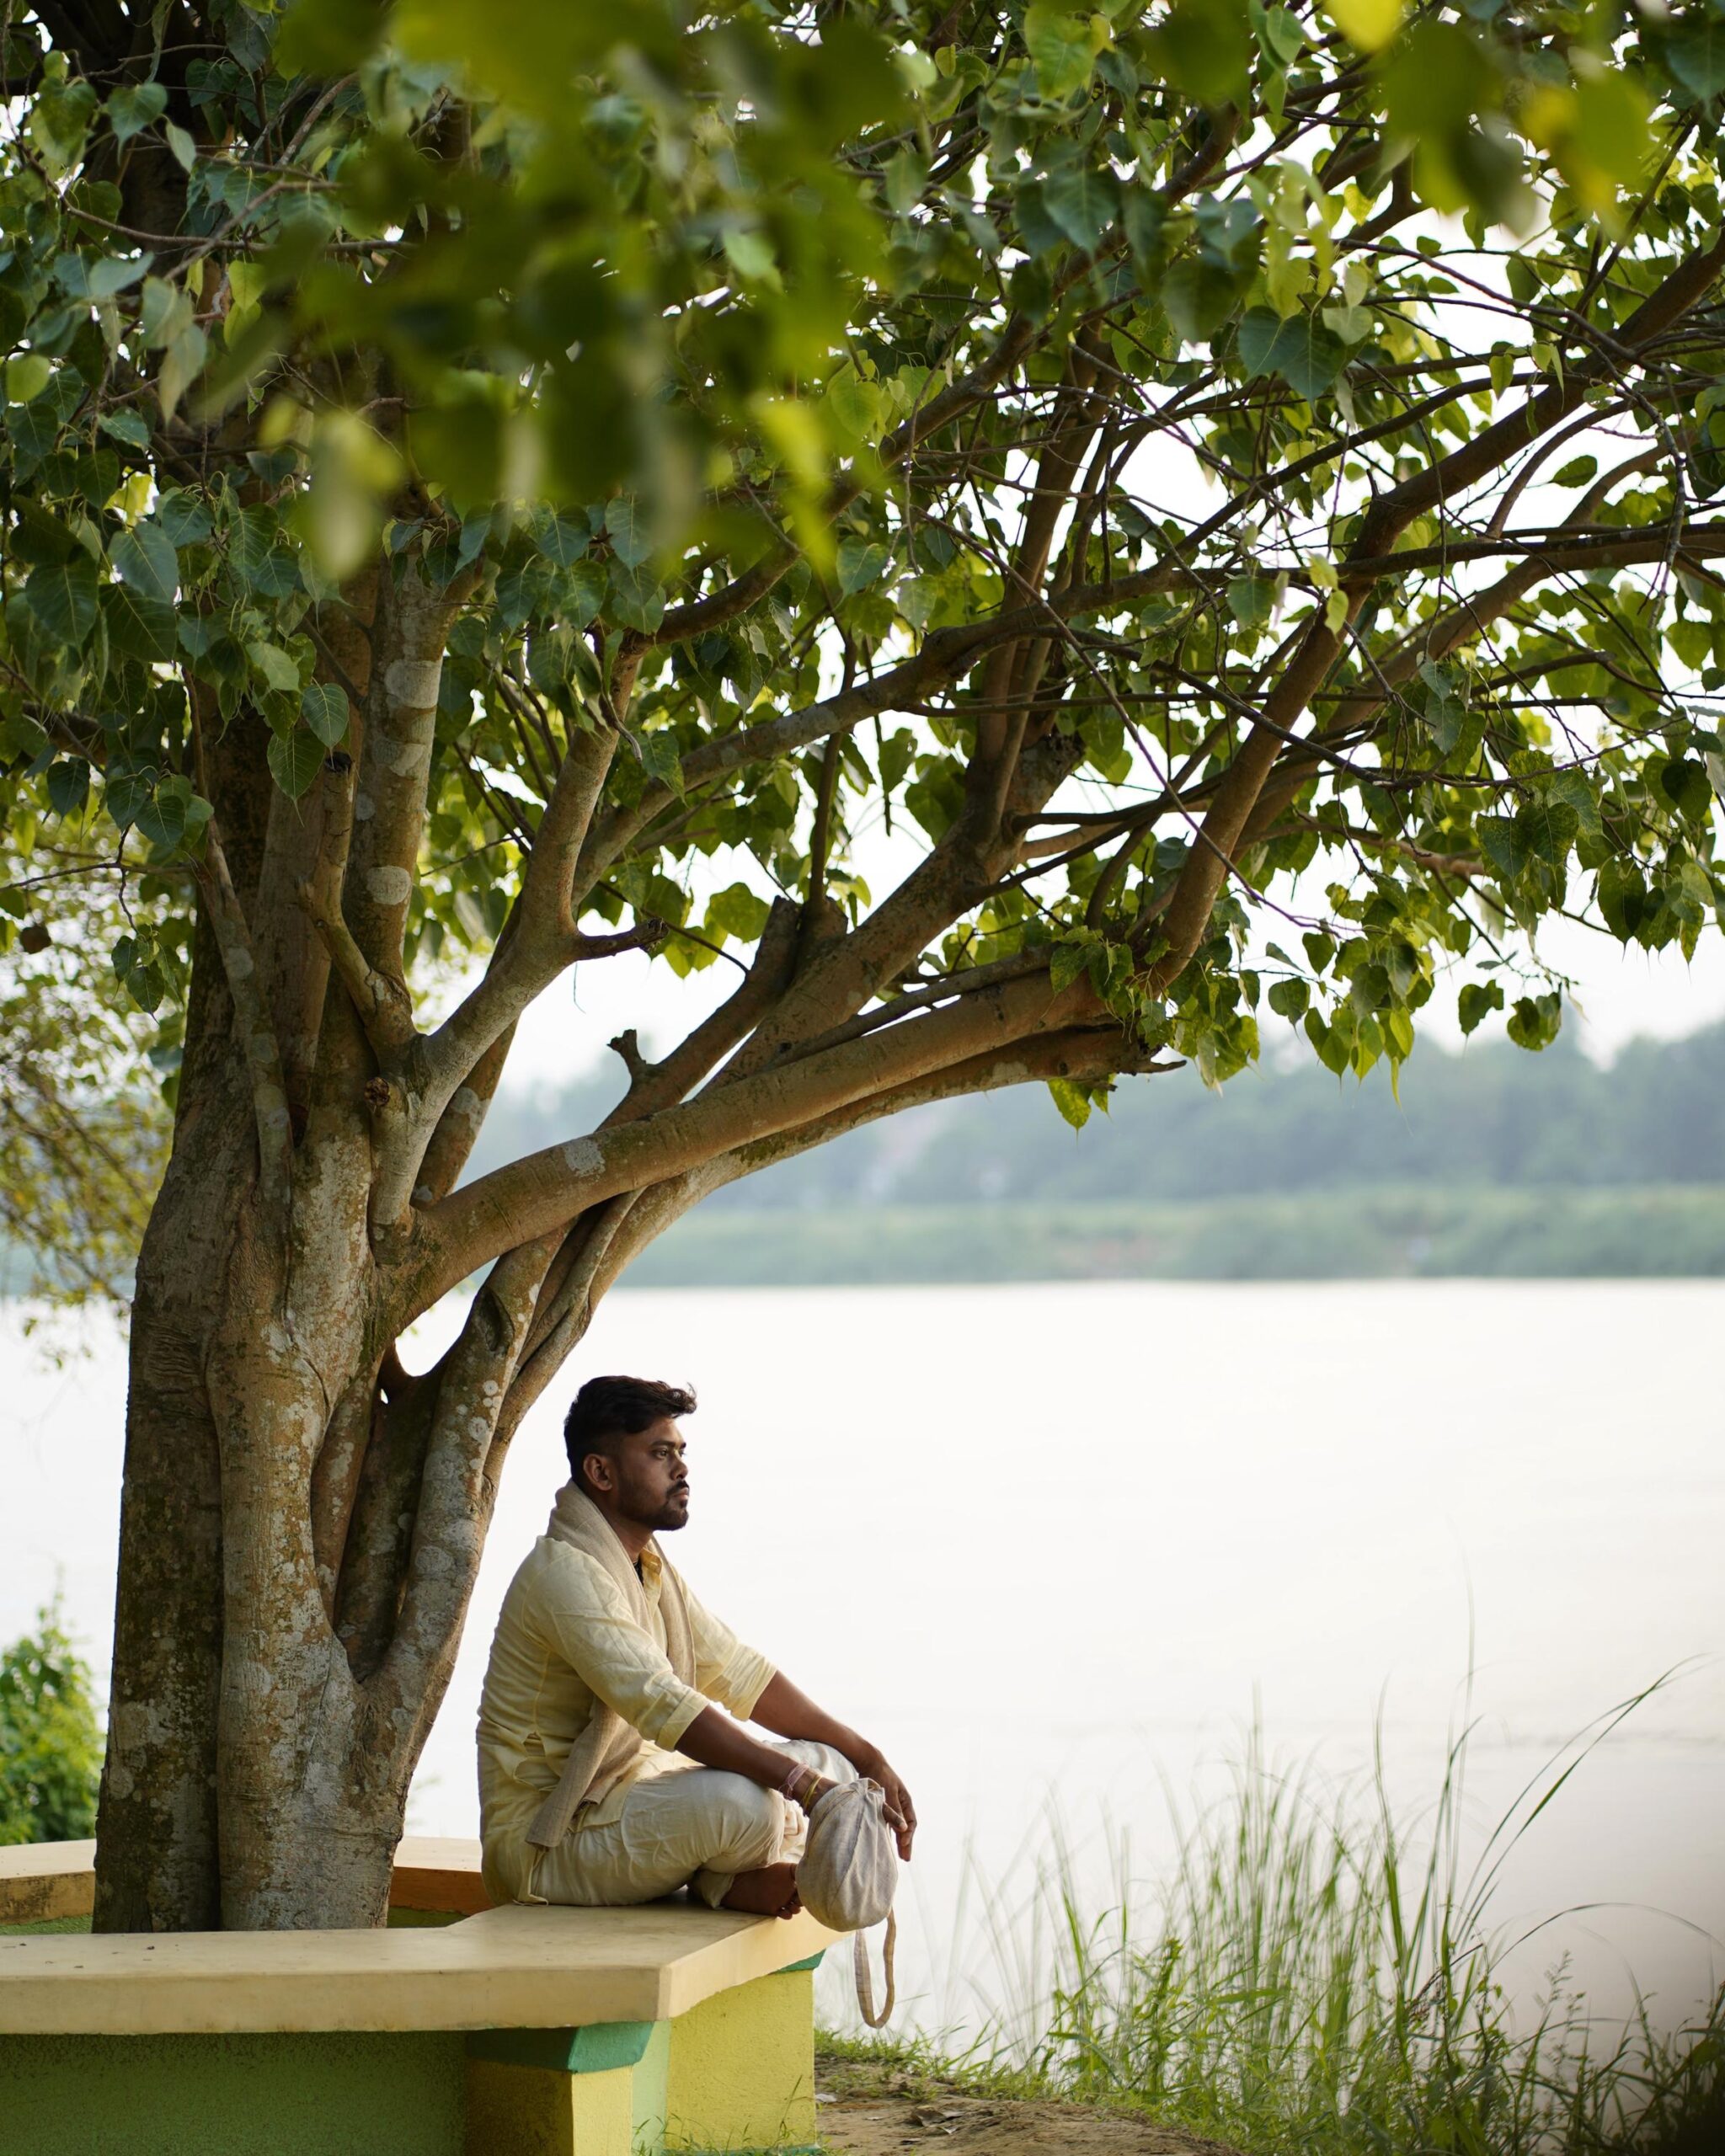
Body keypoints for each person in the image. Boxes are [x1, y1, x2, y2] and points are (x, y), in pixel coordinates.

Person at [476, 1374, 916, 1918]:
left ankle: (717, 1880)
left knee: (840, 1765)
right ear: (601, 1472)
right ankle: (719, 1880)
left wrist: (865, 1756)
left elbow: (739, 1674)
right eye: (661, 1454)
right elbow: (666, 1705)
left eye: (681, 1452)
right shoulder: (566, 1575)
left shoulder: (647, 1567)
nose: (681, 1469)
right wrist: (806, 1790)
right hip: (549, 1845)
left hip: (628, 1802)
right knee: (749, 1806)